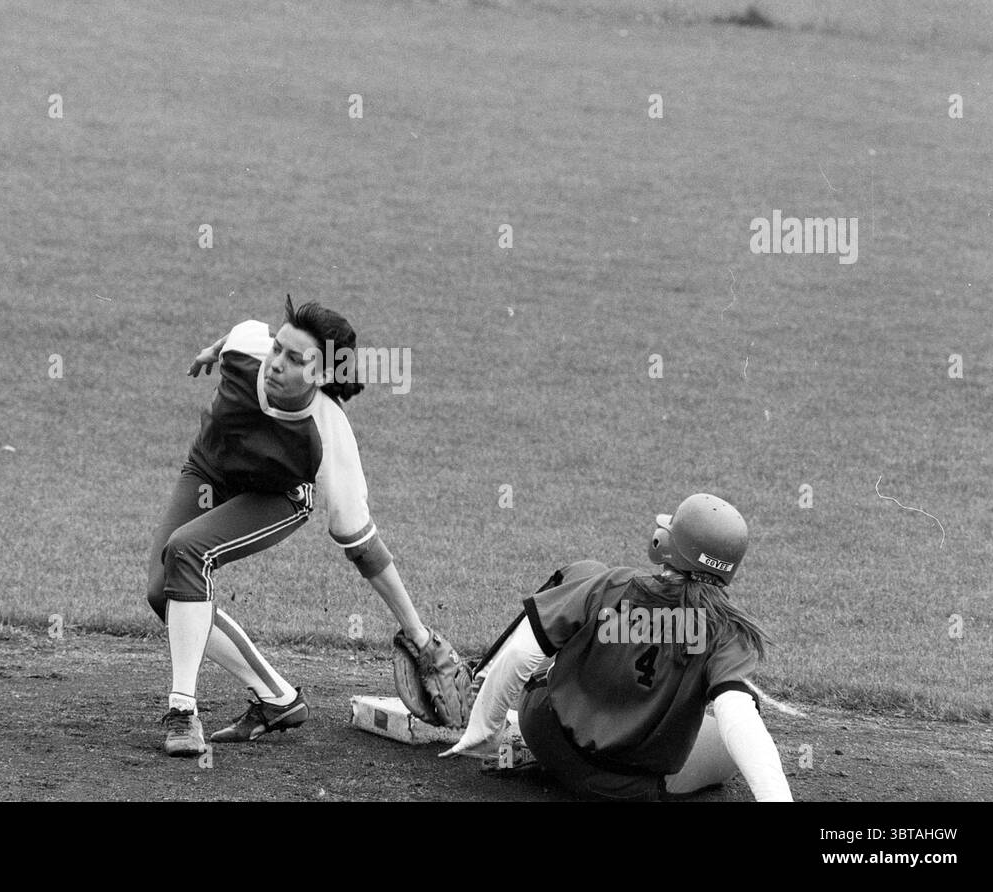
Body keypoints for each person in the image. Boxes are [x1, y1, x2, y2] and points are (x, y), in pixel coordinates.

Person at [148, 296, 448, 757]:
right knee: (162, 590)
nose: (276, 363)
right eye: (278, 349)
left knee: (188, 551)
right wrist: (213, 351)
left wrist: (419, 634)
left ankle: (183, 712)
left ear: (323, 373)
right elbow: (241, 333)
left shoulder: (329, 438)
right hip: (208, 471)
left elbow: (365, 549)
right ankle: (278, 700)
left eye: (295, 358)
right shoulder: (250, 346)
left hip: (278, 496)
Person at [442, 493, 793, 802]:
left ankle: (478, 680)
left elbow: (521, 655)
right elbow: (739, 718)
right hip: (627, 788)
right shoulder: (727, 630)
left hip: (547, 737)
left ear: (667, 544)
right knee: (736, 733)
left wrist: (485, 729)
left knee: (578, 583)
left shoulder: (612, 585)